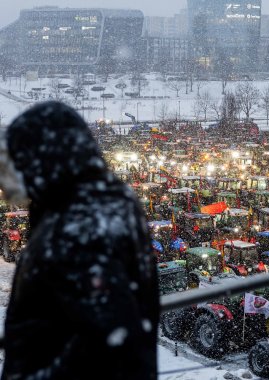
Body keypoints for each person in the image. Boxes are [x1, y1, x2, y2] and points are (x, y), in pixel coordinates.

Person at [0, 101, 159, 379]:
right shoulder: (108, 203)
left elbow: (111, 347)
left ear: (45, 160)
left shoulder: (82, 229)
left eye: (21, 162)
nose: (15, 178)